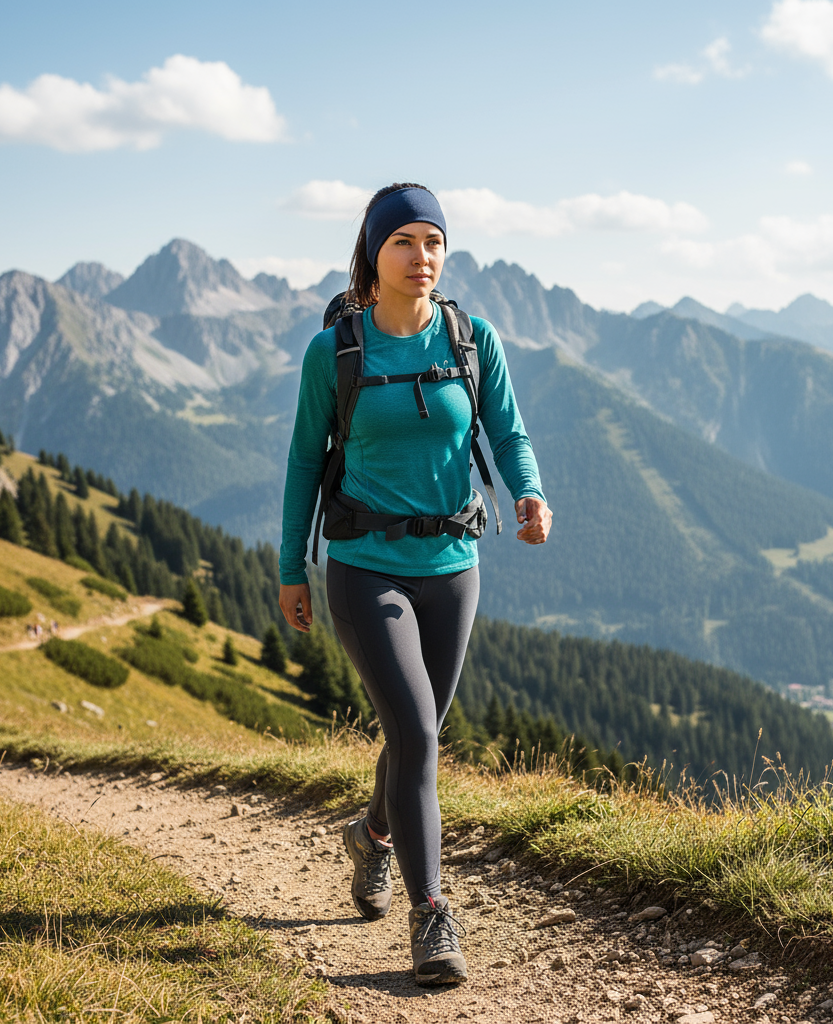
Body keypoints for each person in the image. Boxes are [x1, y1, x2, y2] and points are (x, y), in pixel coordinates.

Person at [278, 182, 552, 986]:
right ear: (373, 252)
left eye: (433, 242)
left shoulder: (472, 338)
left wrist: (529, 489)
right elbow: (303, 461)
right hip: (365, 568)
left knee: (414, 735)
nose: (421, 257)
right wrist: (292, 565)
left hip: (455, 566)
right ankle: (432, 916)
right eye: (404, 242)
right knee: (420, 733)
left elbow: (506, 427)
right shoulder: (336, 353)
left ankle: (372, 837)